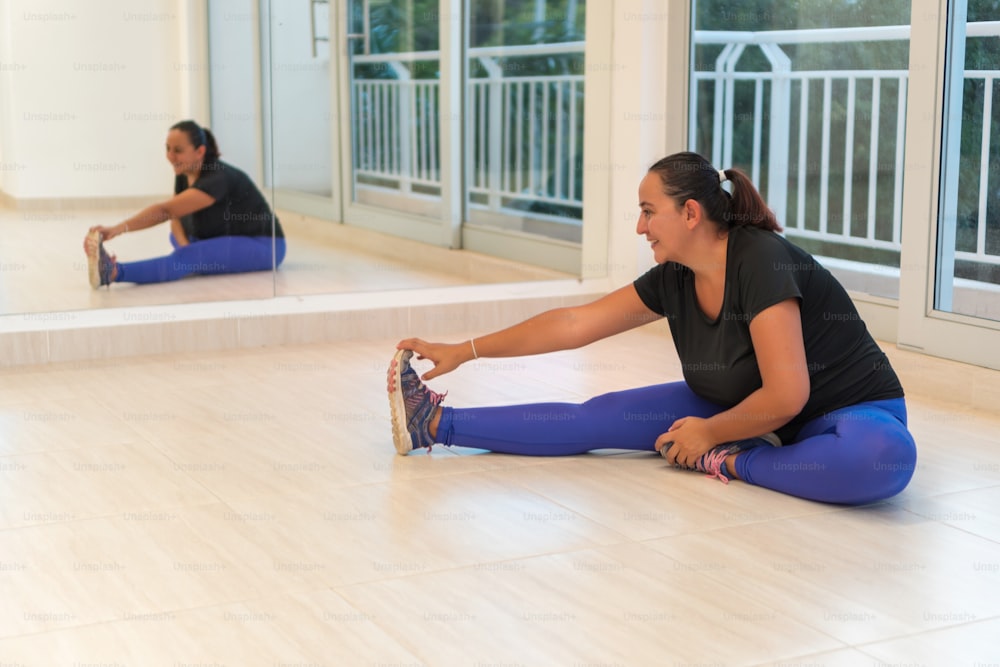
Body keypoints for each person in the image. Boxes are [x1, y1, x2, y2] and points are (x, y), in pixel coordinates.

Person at [386, 151, 917, 505]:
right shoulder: (675, 278)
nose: (639, 227)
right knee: (599, 418)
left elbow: (788, 394)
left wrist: (710, 436)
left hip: (842, 414)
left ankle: (736, 462)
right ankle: (433, 425)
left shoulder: (761, 260)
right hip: (748, 412)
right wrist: (465, 349)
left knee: (883, 459)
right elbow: (574, 323)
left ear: (690, 213)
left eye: (647, 211)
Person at [83, 120, 285, 288]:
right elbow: (175, 217)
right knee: (180, 241)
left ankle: (112, 272)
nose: (170, 156)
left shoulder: (218, 178)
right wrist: (185, 247)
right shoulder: (184, 173)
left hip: (265, 246)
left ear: (200, 151)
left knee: (186, 259)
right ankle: (192, 257)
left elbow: (165, 211)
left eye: (178, 150)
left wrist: (118, 229)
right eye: (168, 149)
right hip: (215, 237)